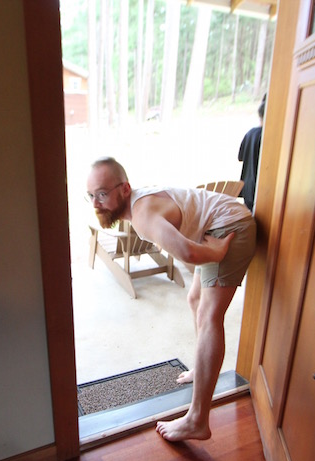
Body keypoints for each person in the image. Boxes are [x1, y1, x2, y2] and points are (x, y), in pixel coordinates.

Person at [86, 157, 256, 442]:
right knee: (195, 299)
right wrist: (209, 252)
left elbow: (188, 254)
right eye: (91, 195)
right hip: (216, 226)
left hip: (229, 227)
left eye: (102, 194)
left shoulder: (144, 216)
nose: (95, 203)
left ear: (125, 189)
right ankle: (200, 370)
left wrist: (214, 254)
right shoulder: (139, 204)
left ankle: (197, 420)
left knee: (210, 315)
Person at [238, 95, 266, 211]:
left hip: (247, 186)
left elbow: (240, 157)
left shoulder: (250, 133)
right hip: (260, 188)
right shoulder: (266, 136)